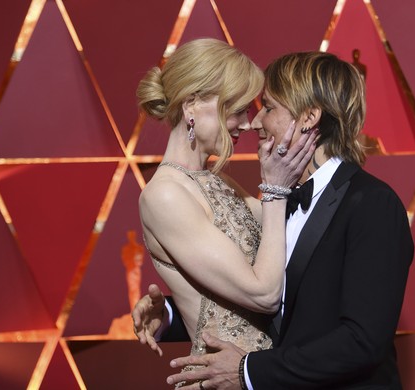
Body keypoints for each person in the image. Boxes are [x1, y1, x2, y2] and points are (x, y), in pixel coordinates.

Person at [135, 51, 414, 389]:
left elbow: (361, 341)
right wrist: (171, 313)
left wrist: (248, 371)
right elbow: (259, 301)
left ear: (309, 117)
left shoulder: (371, 204)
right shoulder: (276, 199)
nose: (253, 122)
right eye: (240, 109)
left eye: (266, 108)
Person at [133, 37, 317, 381]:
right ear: (191, 105)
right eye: (238, 110)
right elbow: (262, 294)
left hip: (265, 377)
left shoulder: (220, 184)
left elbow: (296, 242)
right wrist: (275, 191)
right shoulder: (165, 196)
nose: (248, 124)